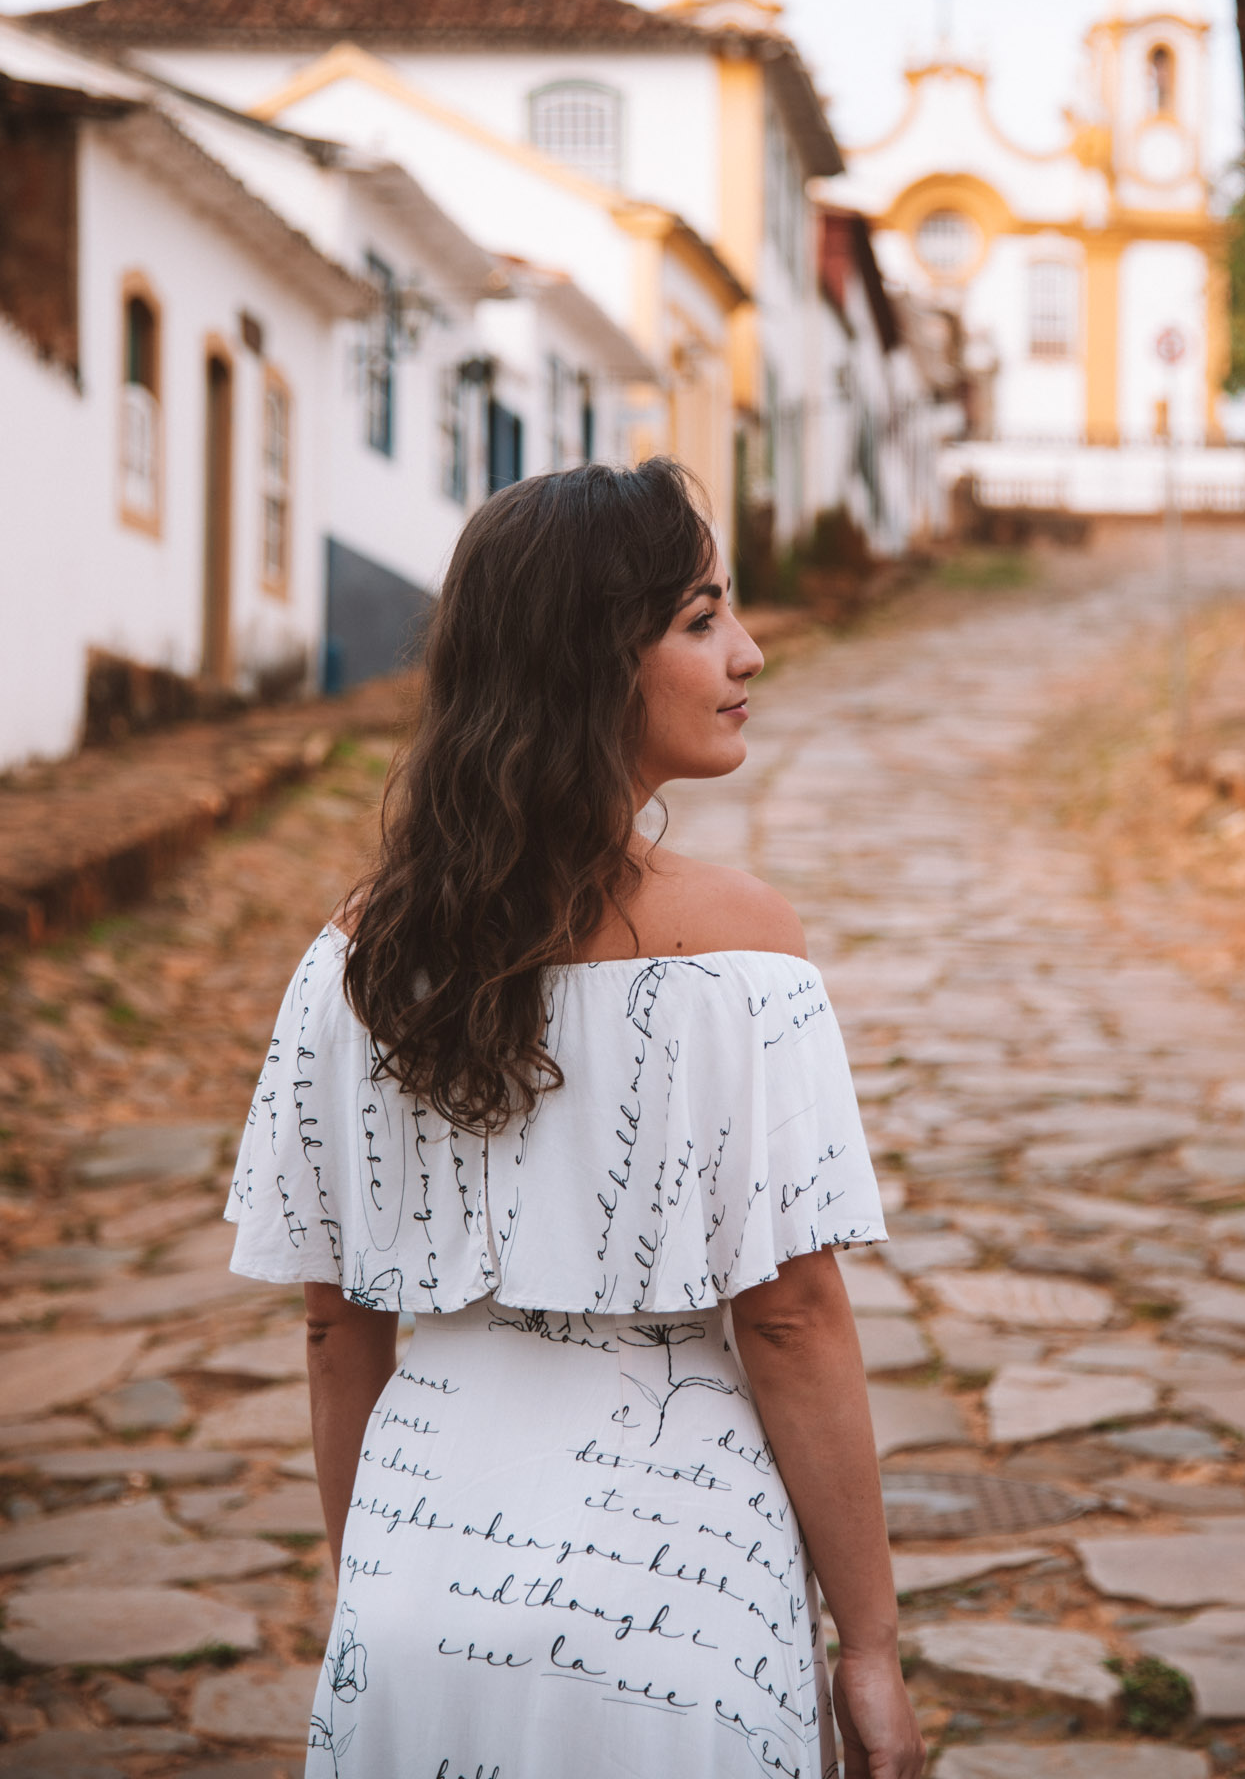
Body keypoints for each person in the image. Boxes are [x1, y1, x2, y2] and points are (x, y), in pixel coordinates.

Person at [225, 460, 926, 1779]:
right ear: (596, 659)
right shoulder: (745, 952)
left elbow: (336, 1327)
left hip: (419, 1566)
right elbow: (788, 1314)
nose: (750, 652)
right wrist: (871, 1649)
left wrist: (371, 1586)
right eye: (701, 617)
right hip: (678, 1601)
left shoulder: (353, 965)